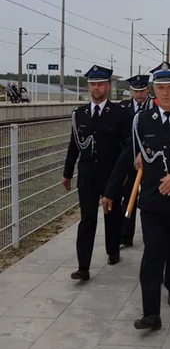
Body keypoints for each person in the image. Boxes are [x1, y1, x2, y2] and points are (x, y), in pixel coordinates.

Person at [104, 63, 170, 330]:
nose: (165, 93)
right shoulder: (141, 120)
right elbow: (129, 155)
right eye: (160, 88)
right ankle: (150, 313)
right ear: (153, 91)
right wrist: (110, 190)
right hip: (152, 201)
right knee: (153, 254)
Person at [63, 65, 130, 281]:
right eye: (92, 84)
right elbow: (74, 144)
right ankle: (83, 267)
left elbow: (126, 146)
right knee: (87, 220)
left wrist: (125, 172)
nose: (96, 88)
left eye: (100, 84)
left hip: (111, 175)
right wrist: (67, 172)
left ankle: (113, 250)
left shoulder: (120, 113)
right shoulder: (79, 114)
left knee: (112, 216)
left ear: (108, 87)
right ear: (88, 87)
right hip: (87, 176)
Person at [119, 74, 155, 247]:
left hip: (150, 160)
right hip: (129, 161)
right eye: (135, 91)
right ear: (130, 91)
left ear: (148, 90)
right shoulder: (123, 108)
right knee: (128, 198)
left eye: (142, 90)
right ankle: (126, 236)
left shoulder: (154, 106)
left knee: (149, 199)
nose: (139, 95)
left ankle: (151, 235)